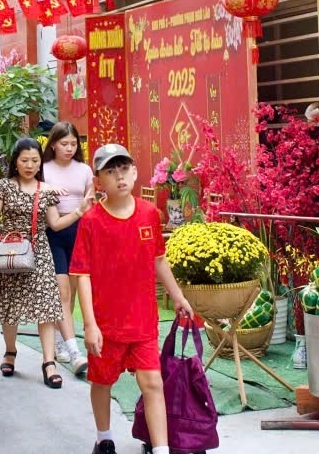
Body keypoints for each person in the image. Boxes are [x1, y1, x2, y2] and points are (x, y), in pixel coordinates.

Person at [72, 144, 192, 454]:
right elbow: (82, 275)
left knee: (152, 382)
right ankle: (104, 438)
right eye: (110, 171)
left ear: (135, 173)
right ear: (98, 181)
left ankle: (162, 449)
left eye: (124, 169)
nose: (119, 177)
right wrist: (90, 325)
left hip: (142, 321)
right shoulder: (91, 221)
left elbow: (158, 260)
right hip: (106, 324)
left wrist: (178, 296)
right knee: (102, 381)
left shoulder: (149, 213)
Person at [0, 138, 90, 388]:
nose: (29, 165)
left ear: (41, 163)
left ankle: (48, 362)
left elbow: (55, 224)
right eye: (25, 160)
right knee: (10, 305)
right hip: (11, 252)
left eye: (34, 160)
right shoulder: (3, 187)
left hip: (40, 253)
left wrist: (79, 212)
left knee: (46, 307)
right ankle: (10, 351)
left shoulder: (46, 190)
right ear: (16, 162)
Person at [41, 122, 94, 376]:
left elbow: (90, 199)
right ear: (53, 144)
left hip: (79, 231)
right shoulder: (44, 169)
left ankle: (63, 338)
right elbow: (34, 190)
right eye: (64, 144)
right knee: (61, 290)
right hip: (54, 230)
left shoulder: (84, 169)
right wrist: (49, 189)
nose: (69, 148)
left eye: (74, 144)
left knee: (71, 291)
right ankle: (67, 345)